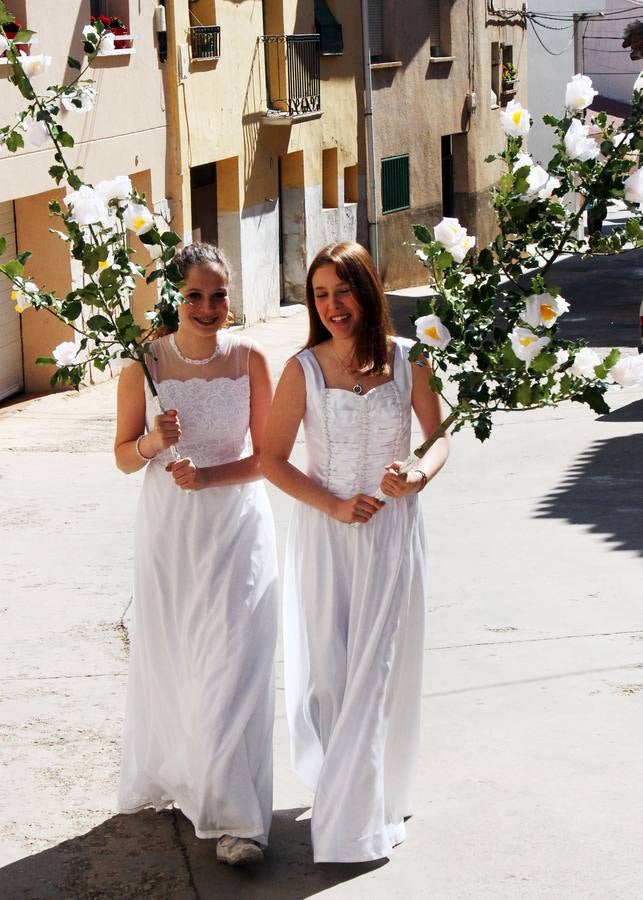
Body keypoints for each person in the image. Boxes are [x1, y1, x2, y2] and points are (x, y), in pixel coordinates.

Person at [261, 241, 449, 863]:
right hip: (327, 532)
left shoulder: (408, 361)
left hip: (393, 534)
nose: (332, 305)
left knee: (379, 673)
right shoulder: (303, 369)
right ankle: (353, 787)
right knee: (333, 676)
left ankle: (355, 817)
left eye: (343, 291)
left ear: (367, 292)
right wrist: (336, 505)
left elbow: (438, 439)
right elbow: (271, 458)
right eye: (320, 294)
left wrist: (417, 476)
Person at [114, 243, 278, 867]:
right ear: (173, 298)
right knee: (181, 653)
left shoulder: (251, 359)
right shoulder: (144, 364)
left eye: (218, 295)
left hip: (236, 523)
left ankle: (239, 817)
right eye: (194, 296)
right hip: (170, 530)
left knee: (234, 657)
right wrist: (154, 440)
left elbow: (268, 455)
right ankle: (191, 777)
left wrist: (210, 477)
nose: (209, 308)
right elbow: (124, 457)